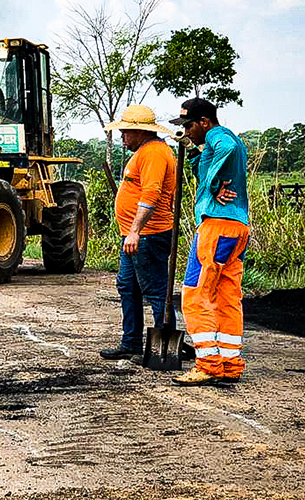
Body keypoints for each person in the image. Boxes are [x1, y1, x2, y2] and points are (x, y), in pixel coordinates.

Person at [168, 98, 250, 386]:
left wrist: (213, 185)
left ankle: (208, 364)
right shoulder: (223, 142)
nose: (186, 131)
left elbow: (223, 150)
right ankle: (230, 363)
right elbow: (211, 164)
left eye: (189, 125)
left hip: (216, 226)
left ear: (204, 121)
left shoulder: (219, 136)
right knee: (227, 294)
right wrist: (195, 155)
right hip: (237, 227)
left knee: (196, 292)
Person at [98, 105, 177, 360]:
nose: (122, 137)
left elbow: (151, 194)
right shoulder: (145, 151)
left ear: (138, 131)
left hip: (148, 235)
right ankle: (130, 342)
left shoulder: (154, 153)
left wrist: (135, 231)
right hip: (134, 235)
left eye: (125, 132)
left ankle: (164, 351)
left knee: (155, 290)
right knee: (128, 287)